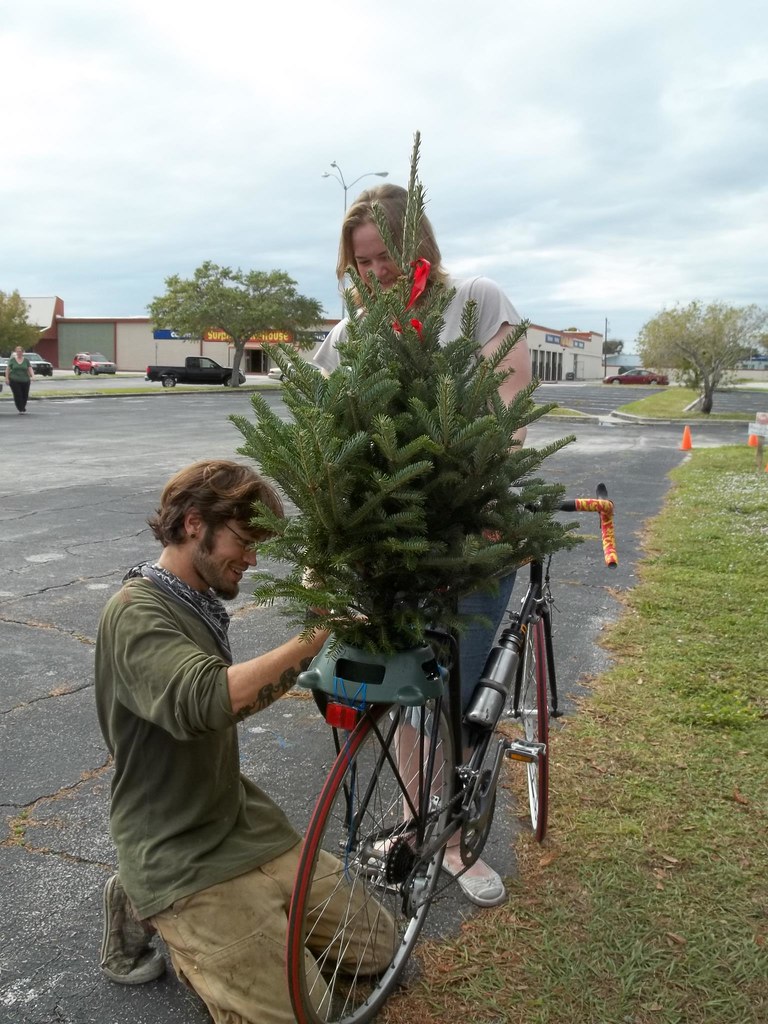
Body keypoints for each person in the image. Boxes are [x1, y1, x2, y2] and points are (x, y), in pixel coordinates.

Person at [95, 459, 394, 1020]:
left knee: (379, 947)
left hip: (237, 823)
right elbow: (210, 700)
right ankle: (161, 914)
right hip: (174, 849)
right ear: (191, 524)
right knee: (311, 1012)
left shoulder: (198, 601)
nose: (253, 559)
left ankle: (246, 924)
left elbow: (245, 691)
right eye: (243, 541)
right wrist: (318, 635)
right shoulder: (136, 613)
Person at [313, 183, 533, 908]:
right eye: (359, 264)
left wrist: (470, 490)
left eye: (383, 257)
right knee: (408, 694)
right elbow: (324, 432)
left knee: (458, 697)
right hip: (393, 549)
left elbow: (510, 405)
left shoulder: (475, 301)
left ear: (418, 244)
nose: (373, 274)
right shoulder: (349, 340)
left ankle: (459, 843)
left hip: (474, 540)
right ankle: (418, 825)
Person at [5, 345, 34, 413]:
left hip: (25, 380)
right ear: (16, 352)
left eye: (20, 351)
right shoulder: (12, 360)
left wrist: (33, 376)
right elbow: (8, 369)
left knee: (25, 395)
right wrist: (7, 378)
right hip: (14, 380)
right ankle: (20, 408)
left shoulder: (26, 360)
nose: (19, 353)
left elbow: (29, 368)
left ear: (23, 352)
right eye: (17, 351)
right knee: (18, 394)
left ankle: (23, 406)